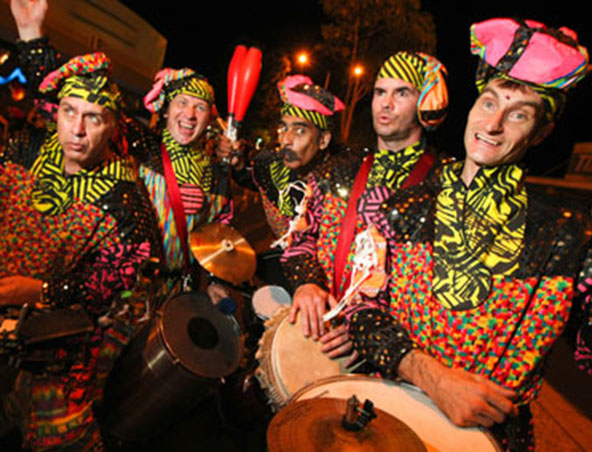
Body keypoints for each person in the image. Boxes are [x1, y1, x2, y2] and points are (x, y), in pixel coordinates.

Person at [348, 18, 592, 450]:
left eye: (518, 114)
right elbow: (362, 313)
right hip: (390, 422)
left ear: (542, 133)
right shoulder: (403, 207)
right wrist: (433, 376)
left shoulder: (567, 238)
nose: (493, 125)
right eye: (487, 103)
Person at [10, 0, 232, 300]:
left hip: (184, 292)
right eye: (182, 102)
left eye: (201, 107)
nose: (190, 114)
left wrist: (219, 279)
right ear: (166, 110)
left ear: (210, 118)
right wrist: (31, 35)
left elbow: (224, 240)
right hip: (138, 291)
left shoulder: (218, 172)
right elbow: (77, 99)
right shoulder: (141, 144)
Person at [0, 49, 162, 450]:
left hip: (73, 328)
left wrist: (39, 292)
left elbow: (111, 289)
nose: (77, 129)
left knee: (60, 424)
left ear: (113, 127)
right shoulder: (24, 151)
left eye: (93, 117)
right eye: (69, 111)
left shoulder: (125, 202)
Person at [281, 51, 449, 352]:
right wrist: (307, 284)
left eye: (402, 93)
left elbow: (436, 294)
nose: (386, 103)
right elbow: (302, 239)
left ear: (425, 103)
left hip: (384, 358)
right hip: (319, 333)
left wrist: (372, 332)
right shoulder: (337, 169)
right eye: (380, 92)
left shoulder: (442, 188)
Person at [217, 74, 344, 286]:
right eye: (284, 127)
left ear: (323, 140)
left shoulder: (340, 184)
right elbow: (255, 180)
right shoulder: (270, 164)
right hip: (282, 270)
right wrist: (238, 165)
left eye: (300, 130)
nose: (287, 140)